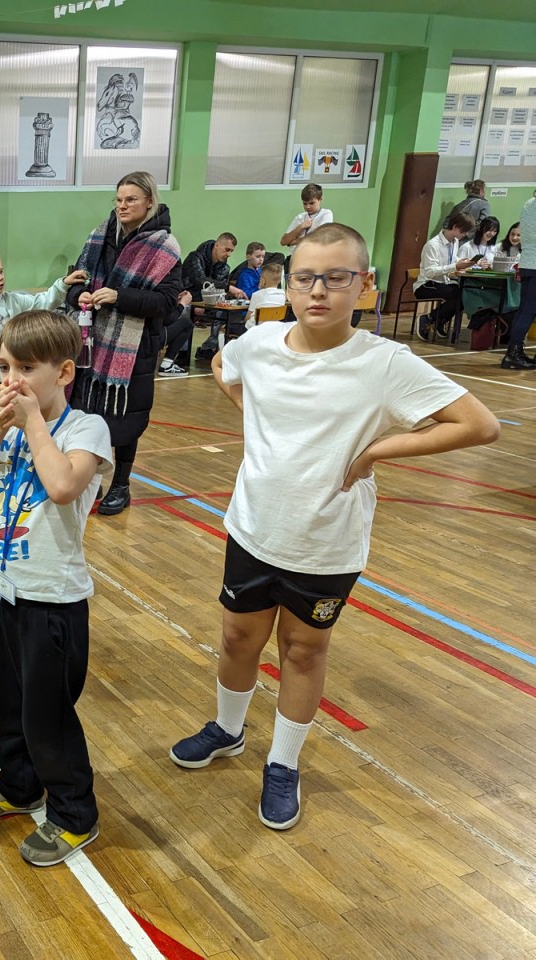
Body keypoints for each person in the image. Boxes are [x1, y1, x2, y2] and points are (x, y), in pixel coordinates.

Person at [169, 223, 499, 831]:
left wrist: (380, 451)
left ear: (364, 285)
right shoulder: (261, 342)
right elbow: (222, 363)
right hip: (252, 527)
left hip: (325, 543)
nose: (318, 290)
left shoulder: (385, 363)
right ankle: (228, 728)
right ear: (287, 284)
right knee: (239, 640)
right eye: (305, 278)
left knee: (303, 650)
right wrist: (251, 413)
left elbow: (479, 425)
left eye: (336, 278)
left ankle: (283, 763)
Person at [0, 309, 113, 867]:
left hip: (54, 603)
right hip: (5, 593)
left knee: (48, 716)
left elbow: (65, 485)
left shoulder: (85, 429)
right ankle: (20, 788)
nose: (11, 379)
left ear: (63, 371)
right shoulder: (12, 427)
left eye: (26, 367)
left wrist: (33, 425)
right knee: (9, 703)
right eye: (3, 366)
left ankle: (75, 815)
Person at [66, 171, 182, 517]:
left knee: (126, 418)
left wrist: (119, 296)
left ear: (150, 201)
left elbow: (167, 304)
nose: (122, 206)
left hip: (135, 348)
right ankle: (91, 477)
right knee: (87, 411)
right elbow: (75, 281)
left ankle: (121, 483)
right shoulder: (98, 237)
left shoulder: (164, 247)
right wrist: (78, 294)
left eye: (130, 199)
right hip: (91, 340)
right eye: (118, 200)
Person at [0, 249, 86, 513]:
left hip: (14, 392)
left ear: (64, 373)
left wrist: (62, 284)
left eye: (2, 271)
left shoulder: (13, 302)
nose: (1, 277)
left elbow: (44, 300)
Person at [414, 211, 476, 342]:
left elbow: (452, 260)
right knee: (458, 295)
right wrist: (455, 266)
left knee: (465, 294)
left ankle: (438, 320)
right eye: (464, 231)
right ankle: (429, 318)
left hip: (443, 282)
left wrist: (465, 262)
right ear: (455, 227)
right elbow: (430, 272)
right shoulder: (433, 245)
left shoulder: (455, 242)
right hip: (426, 284)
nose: (465, 235)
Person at [185, 233, 242, 358]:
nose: (229, 254)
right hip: (186, 298)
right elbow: (200, 281)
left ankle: (209, 347)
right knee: (185, 311)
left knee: (224, 312)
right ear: (216, 245)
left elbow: (218, 290)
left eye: (232, 251)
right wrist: (228, 287)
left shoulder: (224, 268)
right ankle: (181, 353)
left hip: (207, 303)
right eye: (227, 250)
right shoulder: (194, 258)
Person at [500, 193, 536, 370]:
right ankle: (513, 353)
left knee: (525, 310)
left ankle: (515, 352)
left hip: (528, 263)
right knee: (527, 311)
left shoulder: (529, 203)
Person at [279, 183, 333, 253]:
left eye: (311, 203)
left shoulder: (326, 214)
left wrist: (295, 241)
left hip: (314, 256)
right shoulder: (300, 217)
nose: (308, 207)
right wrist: (301, 227)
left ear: (320, 199)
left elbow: (319, 237)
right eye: (305, 203)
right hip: (294, 256)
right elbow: (283, 241)